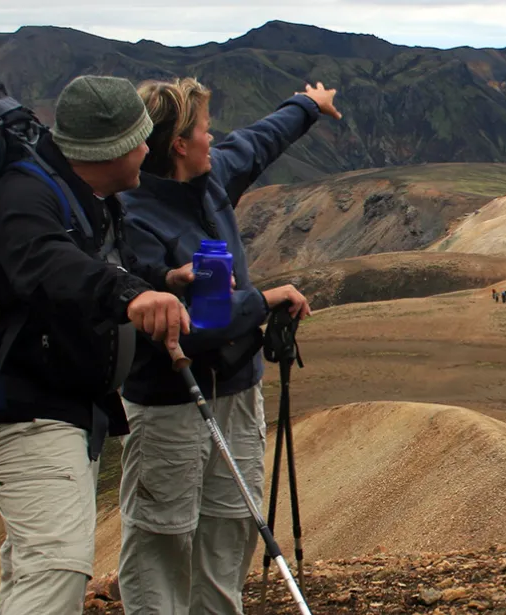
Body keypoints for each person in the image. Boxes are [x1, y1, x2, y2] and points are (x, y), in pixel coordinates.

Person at [0, 75, 189, 615]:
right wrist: (129, 295)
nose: (148, 150)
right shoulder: (26, 195)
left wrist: (161, 281)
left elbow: (97, 262)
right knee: (56, 563)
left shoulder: (82, 193)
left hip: (53, 407)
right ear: (111, 150)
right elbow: (46, 263)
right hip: (21, 410)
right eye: (139, 140)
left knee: (35, 557)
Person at [116, 76, 341, 614]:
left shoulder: (210, 180)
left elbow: (260, 140)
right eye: (205, 130)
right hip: (170, 400)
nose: (213, 139)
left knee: (231, 524)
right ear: (179, 145)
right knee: (161, 534)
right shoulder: (131, 218)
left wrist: (308, 104)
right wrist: (264, 300)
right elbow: (198, 324)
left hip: (237, 390)